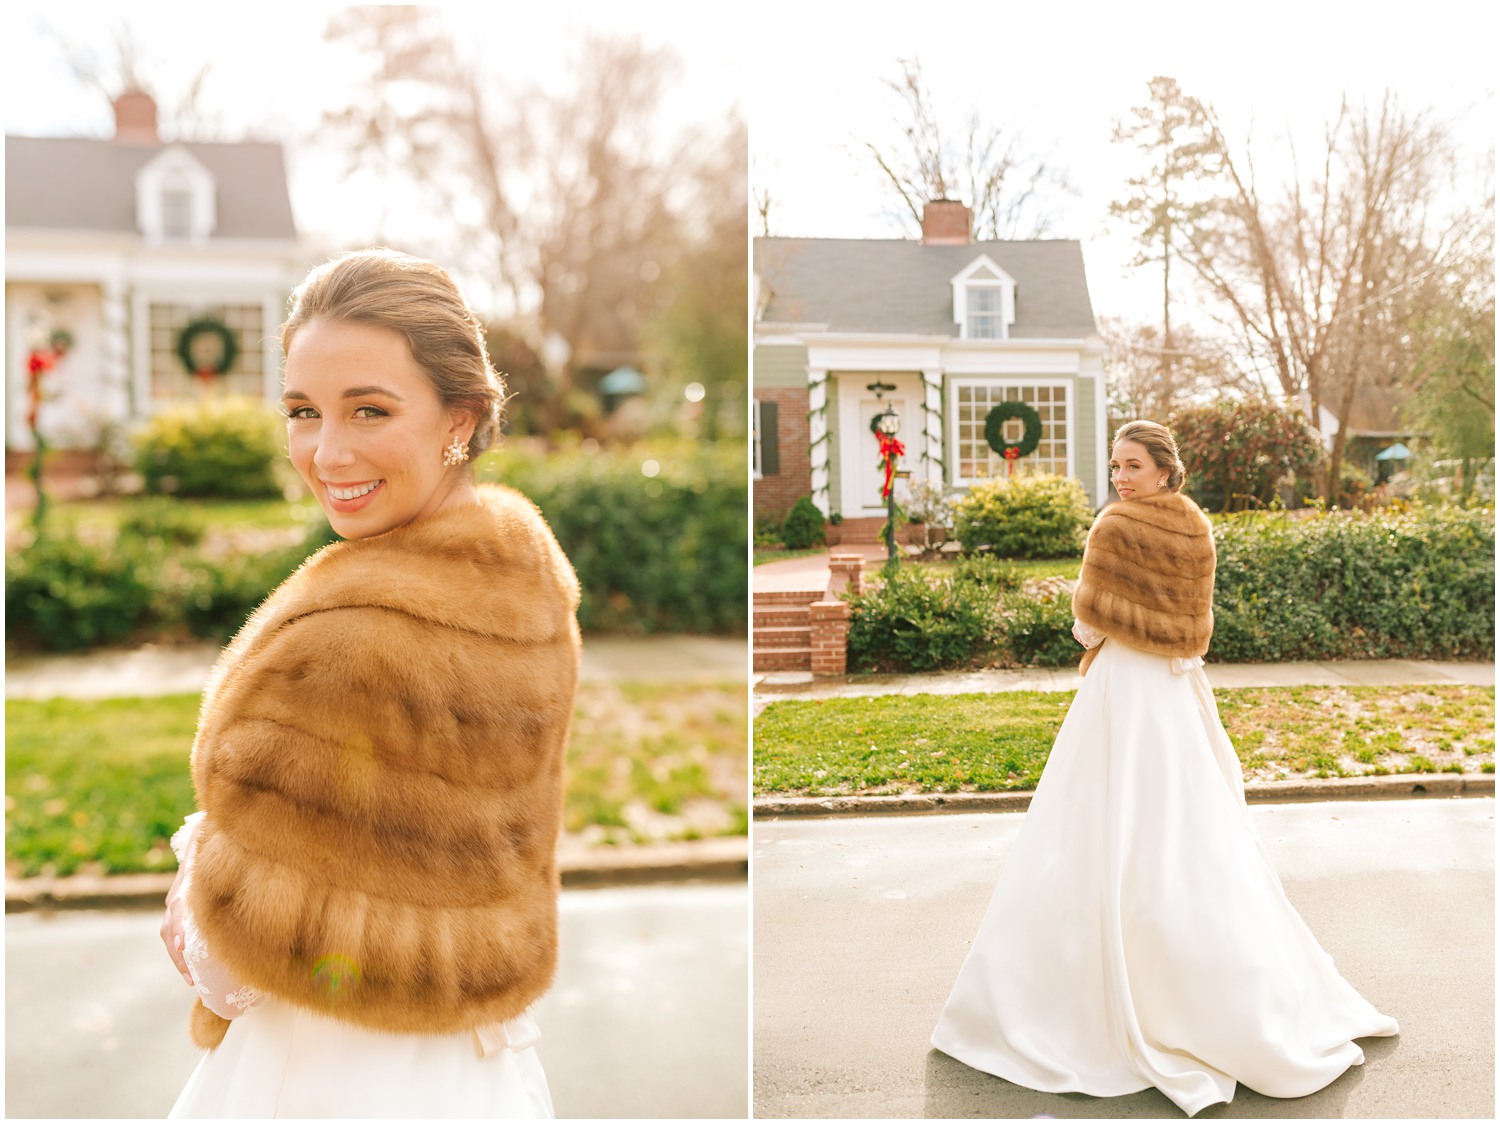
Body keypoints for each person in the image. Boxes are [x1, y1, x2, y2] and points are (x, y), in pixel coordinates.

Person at [160, 249, 580, 1118]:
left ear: (459, 418)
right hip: (475, 1067)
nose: (326, 450)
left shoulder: (360, 640)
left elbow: (235, 963)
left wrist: (198, 862)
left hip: (329, 1073)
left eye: (370, 410)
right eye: (303, 410)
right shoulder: (524, 582)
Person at [930, 420, 1398, 1117]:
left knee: (1103, 824)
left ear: (1164, 468)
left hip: (1126, 688)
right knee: (1186, 829)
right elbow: (1196, 622)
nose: (1121, 477)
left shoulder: (1114, 528)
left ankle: (1101, 996)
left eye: (1133, 465)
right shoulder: (1197, 527)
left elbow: (1088, 624)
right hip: (1177, 691)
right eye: (1116, 465)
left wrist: (1105, 620)